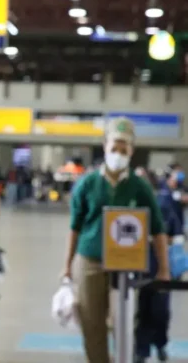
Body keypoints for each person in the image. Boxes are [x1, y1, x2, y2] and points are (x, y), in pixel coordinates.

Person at [61, 117, 170, 363]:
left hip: (126, 264)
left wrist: (164, 268)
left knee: (122, 323)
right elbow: (74, 227)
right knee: (91, 323)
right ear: (104, 146)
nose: (119, 153)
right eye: (114, 147)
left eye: (124, 148)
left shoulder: (139, 186)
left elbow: (158, 229)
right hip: (90, 260)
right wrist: (66, 265)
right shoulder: (87, 184)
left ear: (131, 151)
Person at [135, 172, 183, 362]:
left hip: (162, 265)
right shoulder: (132, 207)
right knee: (144, 309)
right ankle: (141, 350)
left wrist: (160, 240)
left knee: (161, 311)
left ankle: (160, 343)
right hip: (140, 267)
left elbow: (177, 234)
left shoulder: (164, 205)